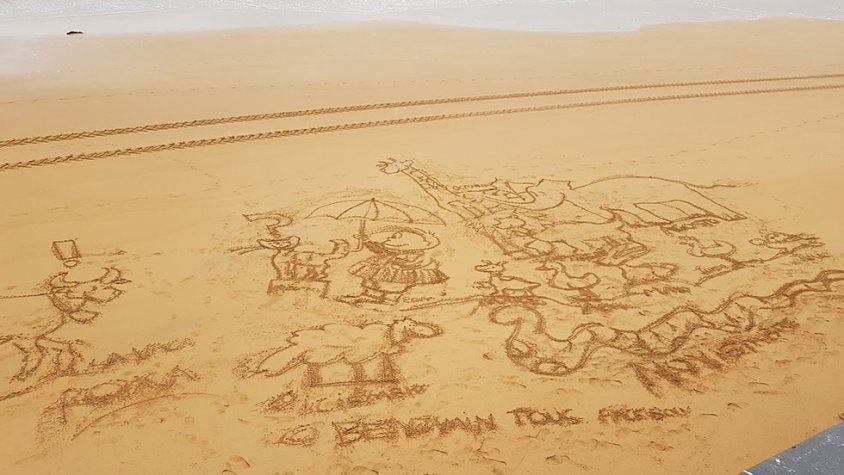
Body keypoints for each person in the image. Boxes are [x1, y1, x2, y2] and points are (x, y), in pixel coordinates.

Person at [340, 227, 447, 304]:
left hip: (401, 274)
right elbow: (378, 250)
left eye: (396, 238)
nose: (390, 239)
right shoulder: (392, 252)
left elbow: (413, 264)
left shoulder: (416, 254)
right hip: (385, 270)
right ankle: (369, 296)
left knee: (392, 286)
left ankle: (389, 300)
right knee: (373, 282)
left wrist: (400, 262)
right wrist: (366, 241)